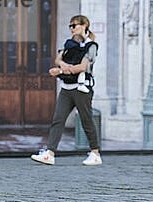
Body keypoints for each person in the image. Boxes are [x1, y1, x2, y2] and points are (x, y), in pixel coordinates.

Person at [31, 15, 102, 166]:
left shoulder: (91, 46)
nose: (72, 28)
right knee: (58, 119)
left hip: (81, 88)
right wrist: (62, 66)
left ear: (84, 26)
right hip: (66, 88)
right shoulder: (69, 44)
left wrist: (62, 71)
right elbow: (58, 59)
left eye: (74, 25)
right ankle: (50, 153)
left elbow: (83, 67)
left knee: (86, 120)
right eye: (70, 26)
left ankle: (95, 153)